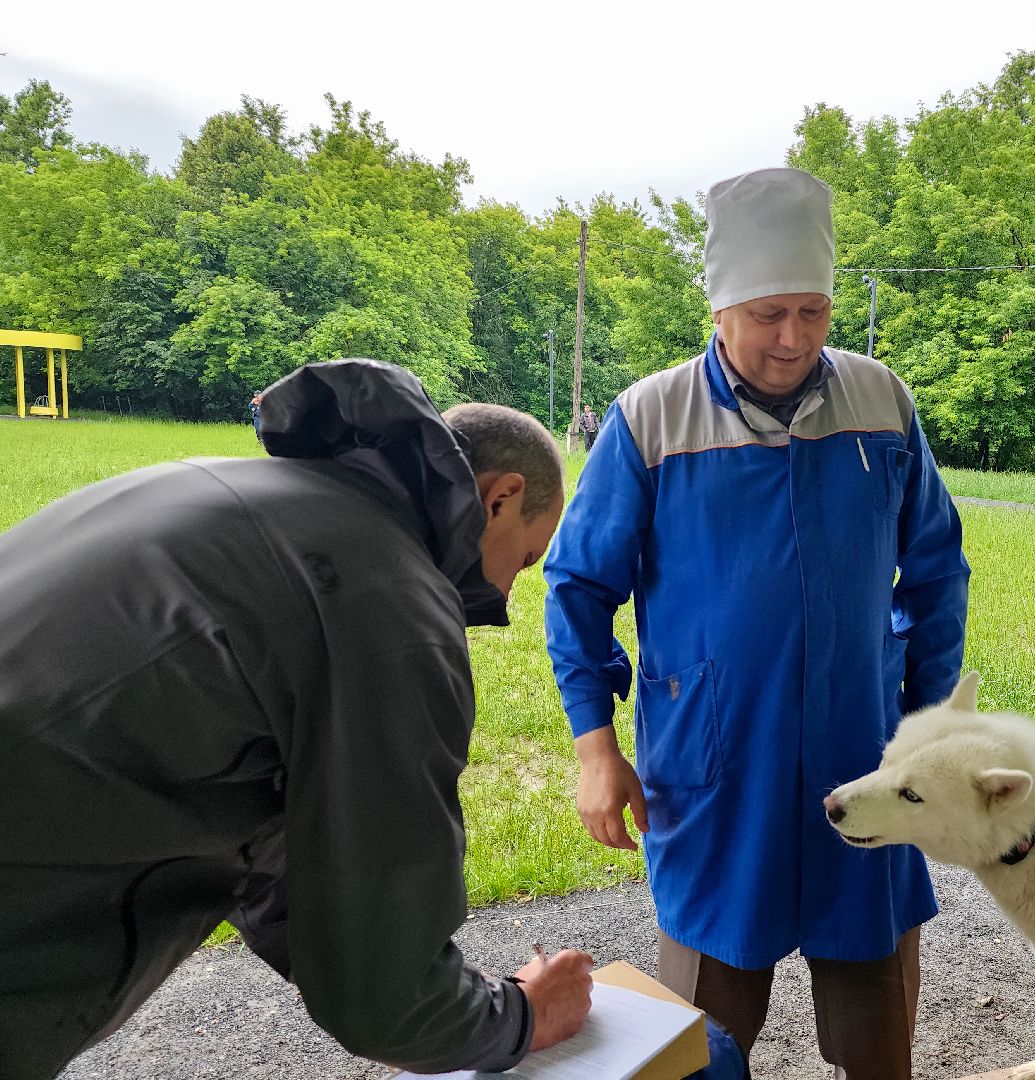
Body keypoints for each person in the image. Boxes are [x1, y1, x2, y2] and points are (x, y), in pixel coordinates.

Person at [0, 359, 593, 1079]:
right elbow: (386, 999)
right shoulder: (388, 598)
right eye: (522, 562)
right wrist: (522, 1018)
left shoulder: (235, 490)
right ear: (502, 498)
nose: (499, 596)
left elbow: (270, 836)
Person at [544, 168, 970, 1079]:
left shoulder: (880, 405)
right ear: (720, 310)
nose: (794, 340)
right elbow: (577, 586)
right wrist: (594, 750)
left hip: (867, 756)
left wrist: (928, 726)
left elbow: (937, 570)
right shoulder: (651, 419)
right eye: (770, 315)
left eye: (813, 313)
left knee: (877, 1029)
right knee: (695, 1040)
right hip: (715, 768)